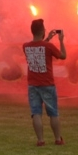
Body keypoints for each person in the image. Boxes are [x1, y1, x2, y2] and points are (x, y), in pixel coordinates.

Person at [23, 18, 66, 146]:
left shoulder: (25, 46)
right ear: (42, 31)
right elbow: (63, 55)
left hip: (33, 85)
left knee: (36, 113)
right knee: (53, 113)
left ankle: (40, 140)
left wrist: (47, 39)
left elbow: (39, 49)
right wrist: (61, 40)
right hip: (47, 84)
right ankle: (58, 139)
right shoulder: (48, 46)